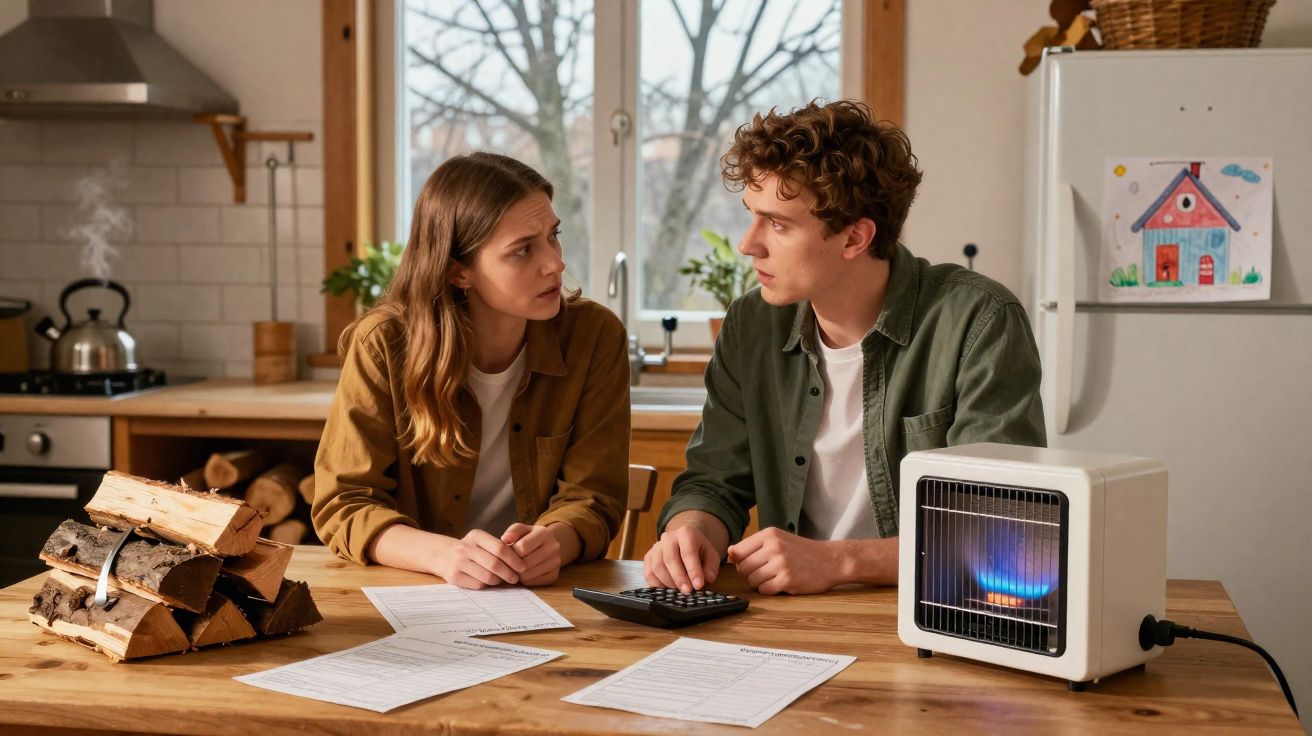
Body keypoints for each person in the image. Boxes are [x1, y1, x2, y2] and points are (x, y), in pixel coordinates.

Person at [644, 100, 1046, 596]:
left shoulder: (978, 321)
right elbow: (713, 481)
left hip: (936, 610)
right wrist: (690, 531)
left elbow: (1000, 524)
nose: (748, 244)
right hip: (797, 615)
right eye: (751, 216)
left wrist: (839, 561)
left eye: (778, 224)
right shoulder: (752, 324)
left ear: (855, 238)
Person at [314, 152, 630, 589]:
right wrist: (444, 555)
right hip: (417, 593)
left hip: (544, 593)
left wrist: (556, 541)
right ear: (458, 271)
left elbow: (595, 496)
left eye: (553, 236)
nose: (555, 263)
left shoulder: (594, 336)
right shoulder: (383, 344)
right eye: (523, 250)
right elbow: (344, 502)